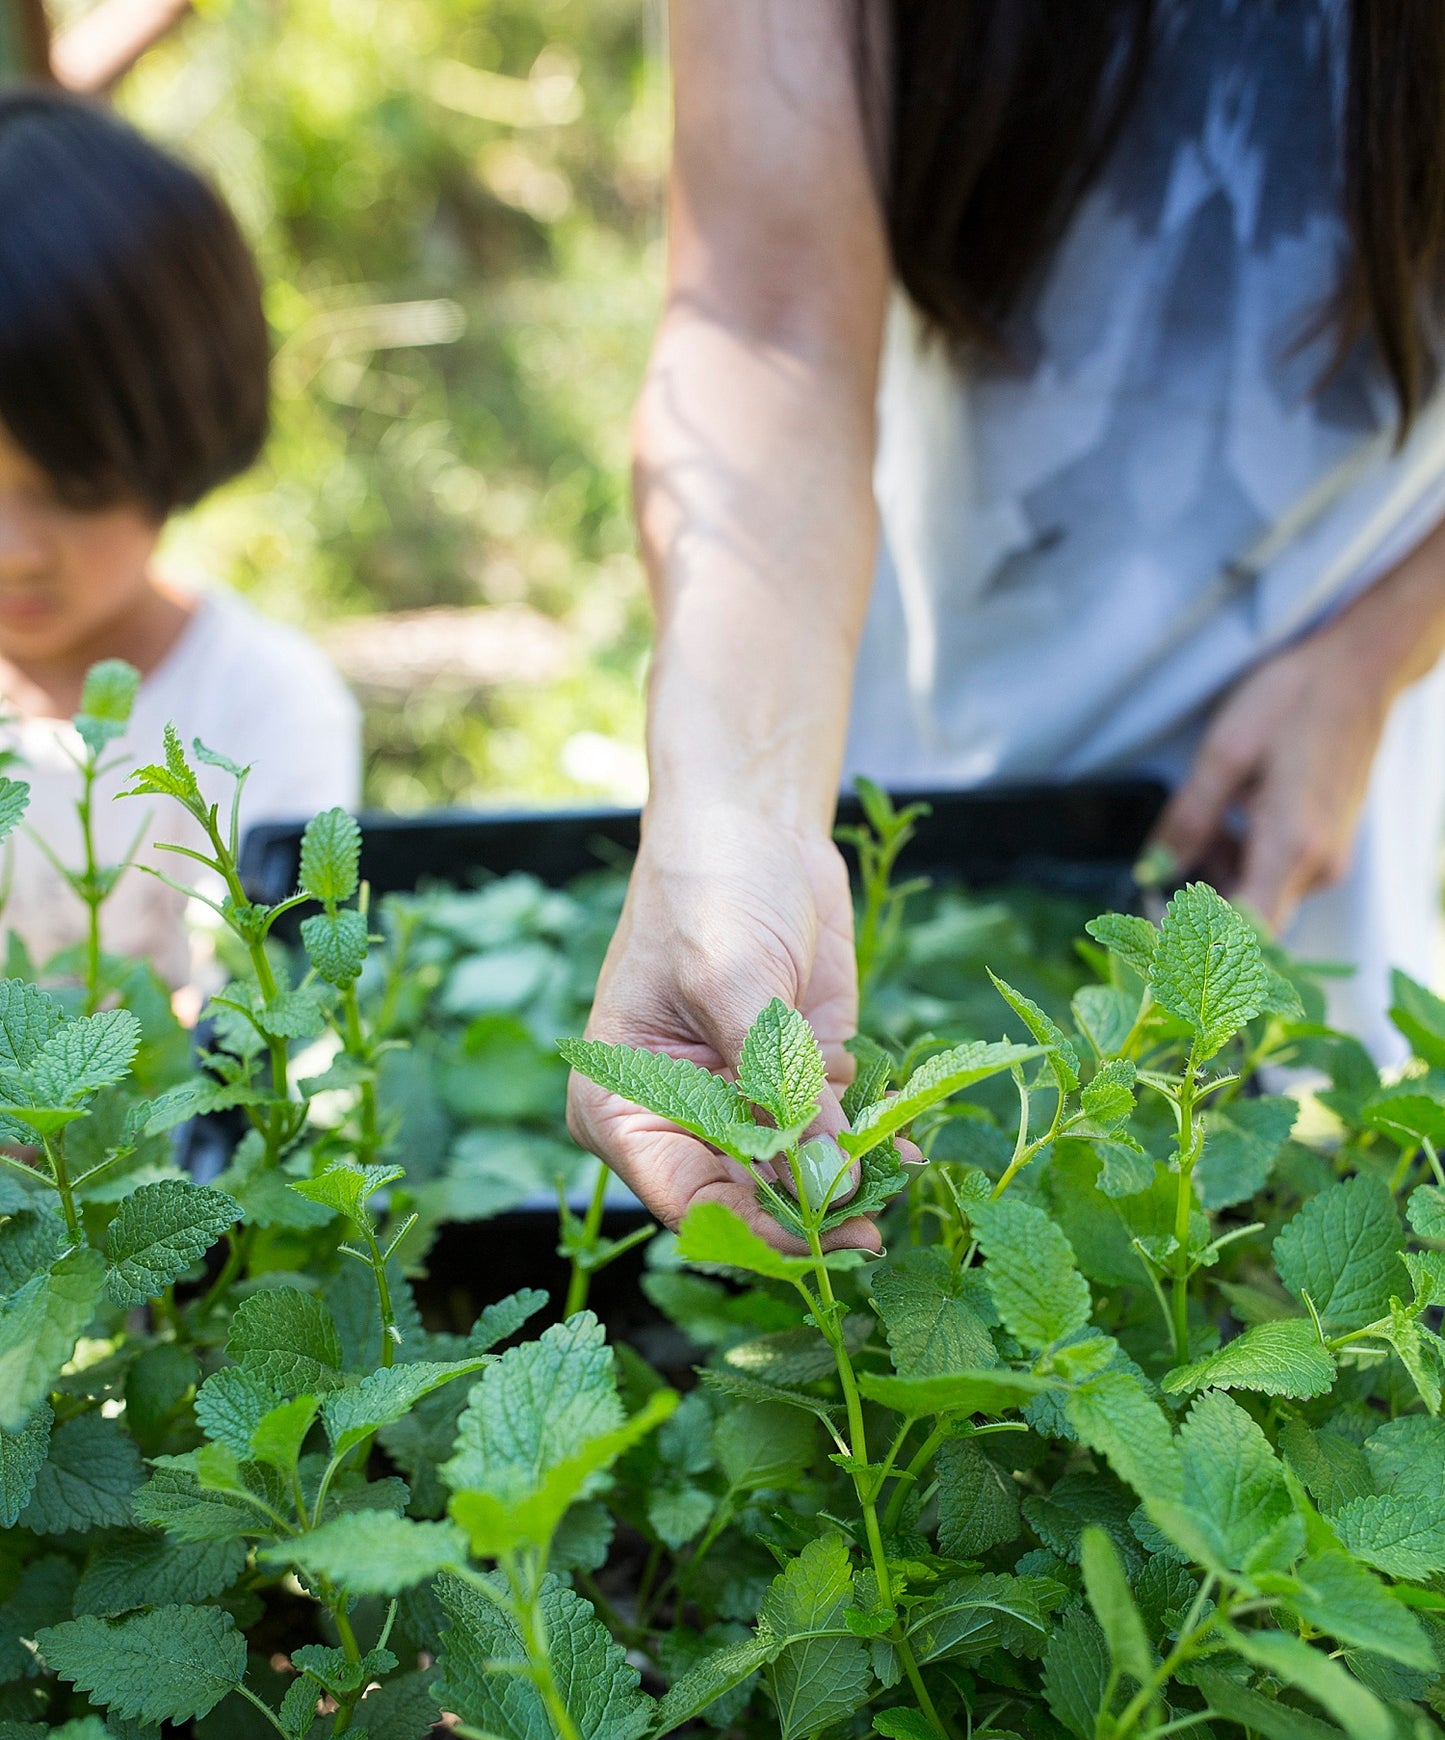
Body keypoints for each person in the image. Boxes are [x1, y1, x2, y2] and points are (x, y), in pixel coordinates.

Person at [569, 0, 1445, 1245]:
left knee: (1261, 1207)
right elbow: (764, 320)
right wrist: (730, 810)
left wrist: (1381, 646)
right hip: (882, 665)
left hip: (1296, 741)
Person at [0, 87, 360, 993]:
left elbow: (265, 1018)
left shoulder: (262, 708)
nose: (13, 549)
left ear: (181, 431)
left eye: (74, 488)